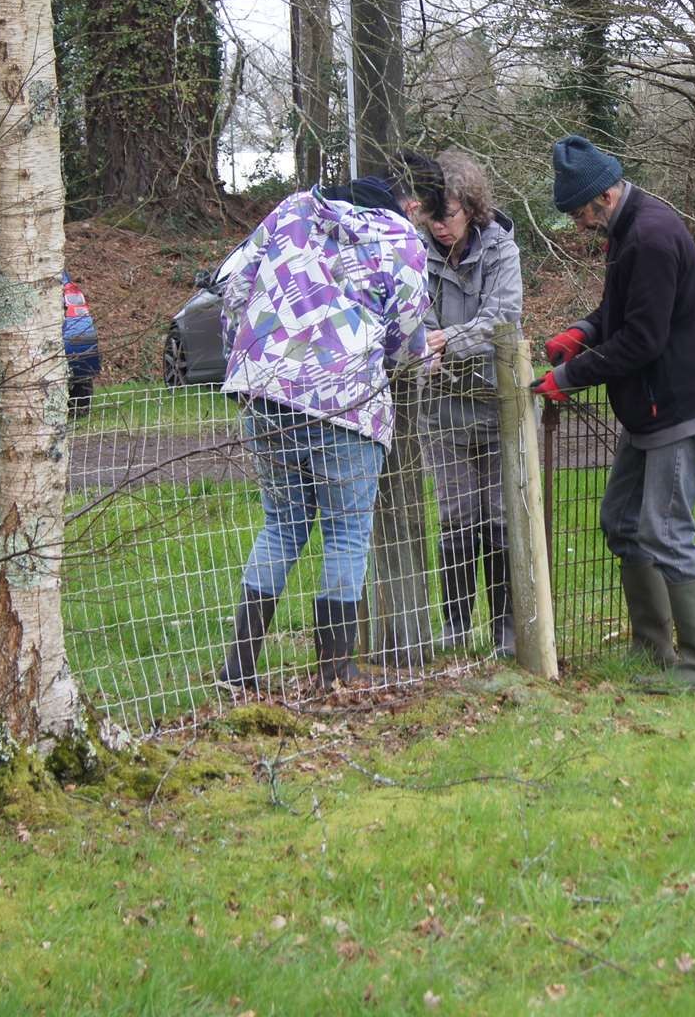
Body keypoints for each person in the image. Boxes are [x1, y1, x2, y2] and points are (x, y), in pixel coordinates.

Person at [215, 160, 432, 692]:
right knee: (346, 533)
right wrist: (406, 359)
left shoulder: (291, 212)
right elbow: (407, 331)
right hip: (347, 401)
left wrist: (245, 354)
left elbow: (234, 283)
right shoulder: (399, 238)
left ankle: (237, 669)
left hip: (267, 391)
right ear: (397, 204)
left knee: (281, 526)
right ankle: (335, 671)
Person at [534, 136, 695, 691]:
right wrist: (583, 333)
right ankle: (653, 648)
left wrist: (569, 377)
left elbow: (643, 340)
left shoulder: (649, 235)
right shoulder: (627, 230)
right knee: (623, 522)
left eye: (579, 214)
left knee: (665, 529)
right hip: (648, 410)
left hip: (678, 406)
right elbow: (621, 313)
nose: (579, 225)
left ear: (602, 196)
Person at [418, 149, 523, 657]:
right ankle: (455, 628)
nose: (440, 227)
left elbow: (503, 318)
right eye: (432, 216)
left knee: (500, 517)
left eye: (450, 216)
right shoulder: (416, 253)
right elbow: (411, 316)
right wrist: (423, 342)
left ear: (473, 208)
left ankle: (506, 631)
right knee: (456, 516)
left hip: (496, 403)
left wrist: (448, 341)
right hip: (442, 410)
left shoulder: (502, 249)